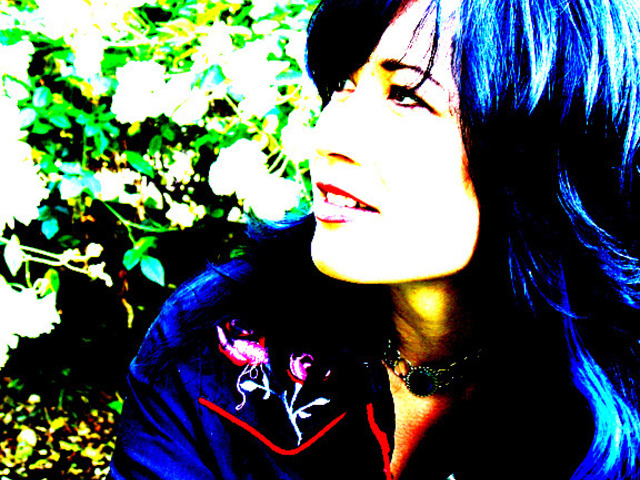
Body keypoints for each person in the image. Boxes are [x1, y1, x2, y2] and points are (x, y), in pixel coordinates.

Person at [109, 0, 640, 478]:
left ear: (545, 148)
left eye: (407, 96)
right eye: (342, 84)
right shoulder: (216, 338)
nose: (328, 136)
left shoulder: (616, 396)